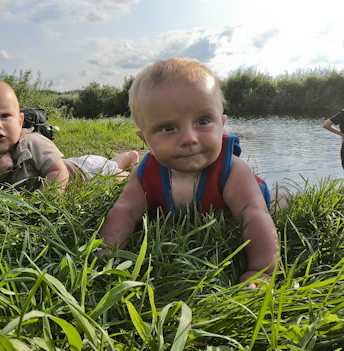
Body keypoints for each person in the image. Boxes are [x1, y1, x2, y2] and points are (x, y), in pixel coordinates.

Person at [98, 57, 287, 286]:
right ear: (145, 140)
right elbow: (124, 210)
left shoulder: (233, 171)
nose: (189, 138)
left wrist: (263, 271)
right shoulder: (145, 174)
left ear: (222, 123)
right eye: (168, 128)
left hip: (255, 195)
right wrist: (105, 256)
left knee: (275, 202)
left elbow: (254, 215)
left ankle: (284, 193)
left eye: (203, 121)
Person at [0, 79, 139, 192]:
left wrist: (43, 202)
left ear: (20, 121)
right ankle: (125, 158)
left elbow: (59, 172)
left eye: (5, 116)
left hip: (86, 174)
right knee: (110, 165)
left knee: (123, 180)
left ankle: (132, 165)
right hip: (82, 164)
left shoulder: (32, 143)